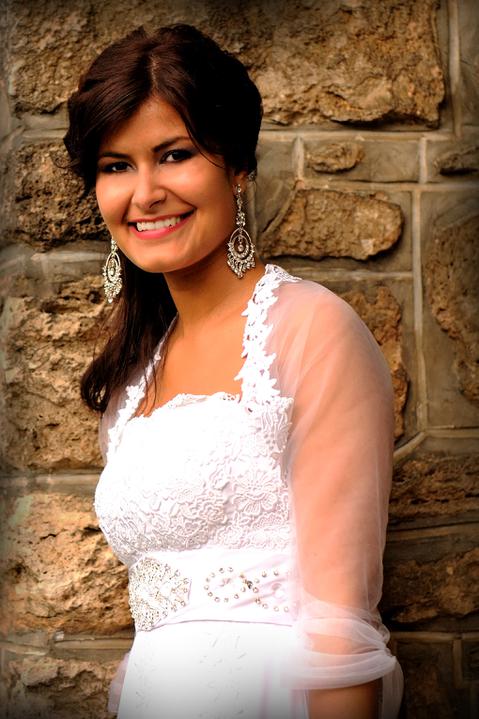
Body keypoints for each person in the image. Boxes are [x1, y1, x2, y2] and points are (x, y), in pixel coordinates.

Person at [64, 23, 403, 719]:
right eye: (116, 165)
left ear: (237, 165)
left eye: (175, 155)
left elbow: (341, 626)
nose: (145, 193)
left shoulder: (309, 330)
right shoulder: (133, 379)